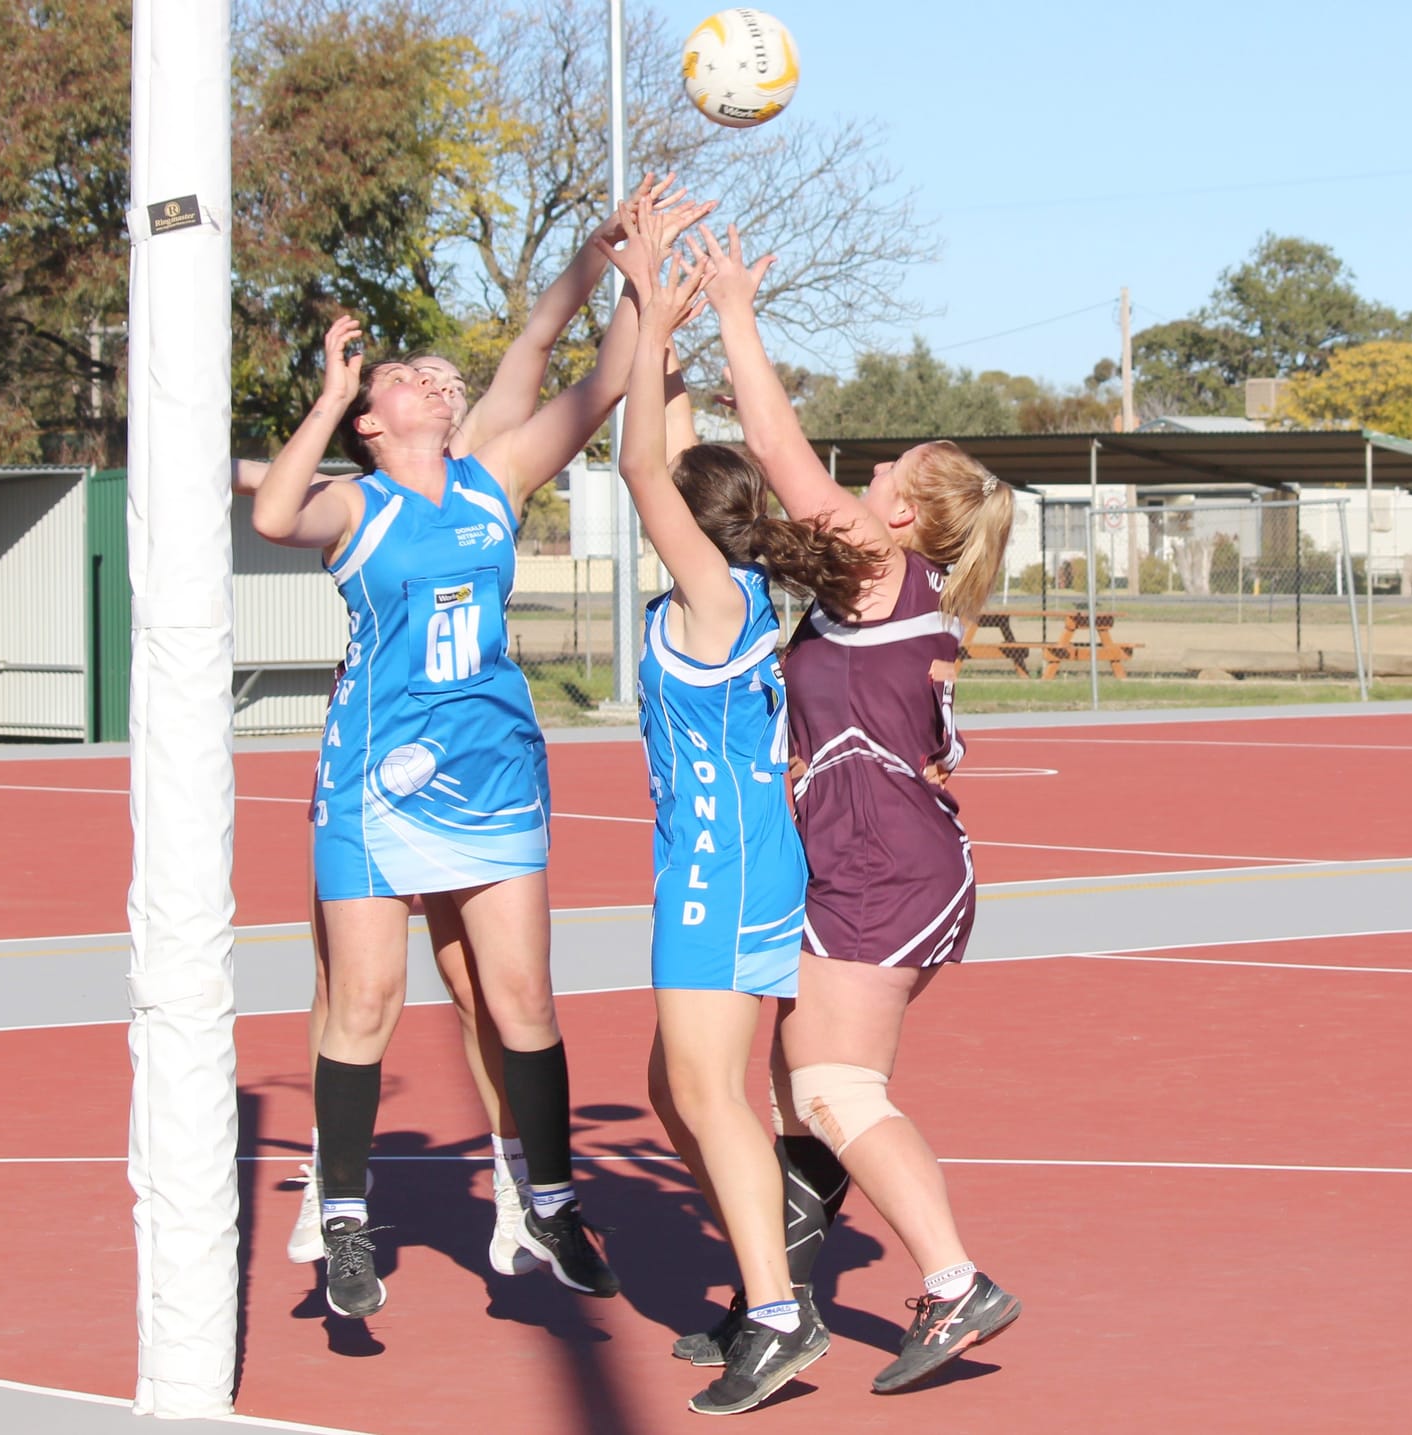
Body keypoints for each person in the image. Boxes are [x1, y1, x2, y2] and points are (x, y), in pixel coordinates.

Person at [237, 177, 712, 1281]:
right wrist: (331, 393)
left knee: (521, 999)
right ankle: (343, 1214)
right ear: (371, 420)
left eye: (435, 373)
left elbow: (598, 379)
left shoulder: (493, 479)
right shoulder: (356, 504)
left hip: (495, 772)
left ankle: (548, 1203)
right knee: (363, 996)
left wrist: (628, 265)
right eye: (404, 374)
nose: (429, 377)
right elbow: (271, 513)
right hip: (377, 781)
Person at [684, 221, 1024, 1394]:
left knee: (832, 1087)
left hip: (885, 862)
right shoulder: (875, 588)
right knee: (795, 1085)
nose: (866, 477)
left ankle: (952, 1280)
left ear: (904, 517)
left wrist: (734, 310)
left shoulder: (881, 570)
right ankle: (770, 1295)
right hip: (867, 855)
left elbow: (776, 448)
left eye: (886, 475)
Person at [600, 202, 881, 1415]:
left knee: (707, 1093)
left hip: (716, 872)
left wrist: (648, 311)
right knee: (680, 1090)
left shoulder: (711, 598)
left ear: (690, 525)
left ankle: (775, 1312)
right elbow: (669, 449)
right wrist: (655, 301)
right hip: (747, 861)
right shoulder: (740, 581)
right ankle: (772, 1254)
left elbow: (637, 465)